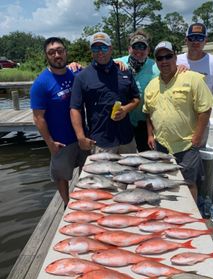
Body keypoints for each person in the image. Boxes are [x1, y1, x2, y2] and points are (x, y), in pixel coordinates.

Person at [143, 41, 213, 200]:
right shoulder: (151, 85)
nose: (164, 61)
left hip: (186, 145)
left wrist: (198, 136)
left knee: (189, 183)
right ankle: (171, 210)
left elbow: (205, 109)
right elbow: (147, 113)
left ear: (175, 57)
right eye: (160, 58)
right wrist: (150, 135)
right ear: (156, 61)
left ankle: (193, 215)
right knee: (162, 180)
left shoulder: (192, 78)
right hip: (161, 144)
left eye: (168, 56)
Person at [30, 37, 86, 206]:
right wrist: (50, 143)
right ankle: (67, 205)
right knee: (61, 176)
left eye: (60, 51)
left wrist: (119, 64)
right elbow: (38, 118)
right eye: (51, 52)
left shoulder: (76, 73)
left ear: (66, 52)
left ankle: (85, 203)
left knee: (87, 172)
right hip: (61, 141)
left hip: (82, 136)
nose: (57, 55)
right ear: (46, 56)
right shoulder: (41, 83)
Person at [70, 32, 140, 154]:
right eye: (95, 48)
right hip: (101, 141)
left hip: (126, 139)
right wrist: (80, 136)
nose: (100, 52)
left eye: (103, 47)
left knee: (130, 172)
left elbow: (136, 99)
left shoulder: (124, 71)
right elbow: (75, 109)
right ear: (91, 50)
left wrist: (126, 109)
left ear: (110, 48)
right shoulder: (82, 77)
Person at [177, 23, 213, 141]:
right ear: (186, 40)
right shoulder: (175, 60)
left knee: (198, 153)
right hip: (178, 119)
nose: (196, 42)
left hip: (202, 120)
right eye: (192, 38)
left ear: (206, 40)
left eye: (200, 38)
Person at [115, 29, 159, 152]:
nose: (139, 51)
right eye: (135, 47)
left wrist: (183, 67)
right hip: (123, 120)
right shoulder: (117, 63)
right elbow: (97, 67)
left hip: (145, 121)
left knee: (146, 157)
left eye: (142, 47)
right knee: (125, 158)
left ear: (148, 50)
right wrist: (74, 66)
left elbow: (172, 70)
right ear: (129, 49)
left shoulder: (156, 66)